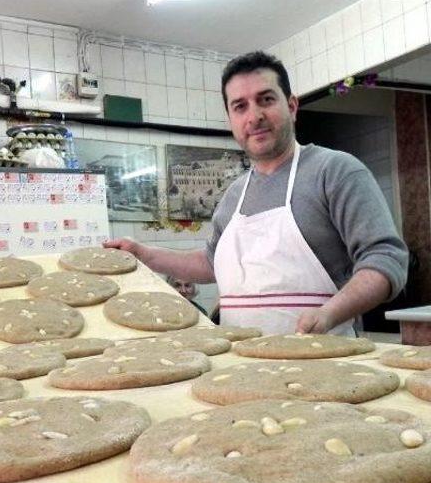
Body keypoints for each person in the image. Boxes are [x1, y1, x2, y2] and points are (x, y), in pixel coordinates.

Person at [105, 51, 408, 335]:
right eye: (240, 106)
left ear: (291, 106)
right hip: (243, 370)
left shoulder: (335, 172)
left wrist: (330, 313)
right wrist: (144, 255)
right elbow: (210, 265)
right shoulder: (233, 195)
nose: (254, 116)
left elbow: (386, 259)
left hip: (324, 362)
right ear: (231, 120)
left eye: (265, 100)